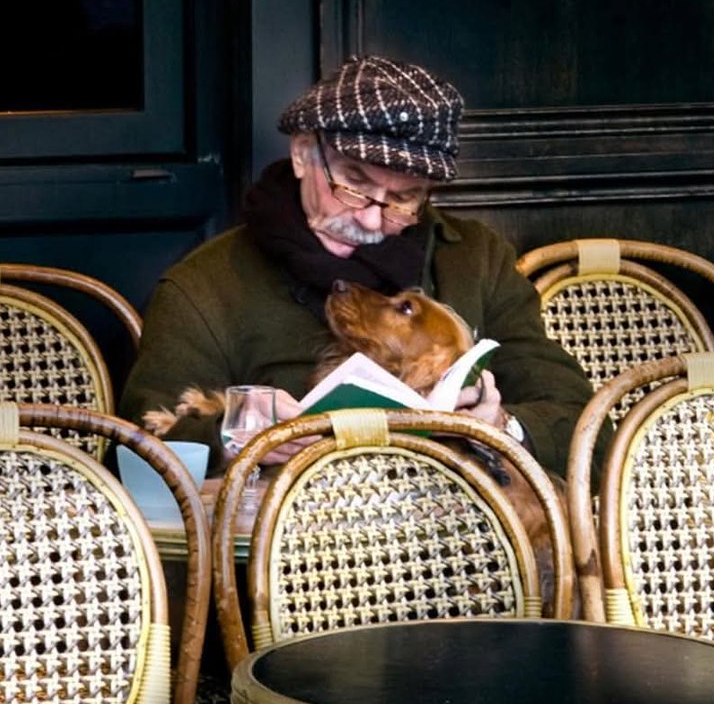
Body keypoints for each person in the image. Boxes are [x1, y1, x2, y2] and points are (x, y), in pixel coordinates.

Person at [119, 53, 603, 478]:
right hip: (294, 562)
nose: (372, 218)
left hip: (459, 553)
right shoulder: (205, 286)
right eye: (354, 185)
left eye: (403, 198)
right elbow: (137, 455)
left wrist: (503, 428)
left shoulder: (473, 260)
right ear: (304, 155)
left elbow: (585, 428)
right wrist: (238, 434)